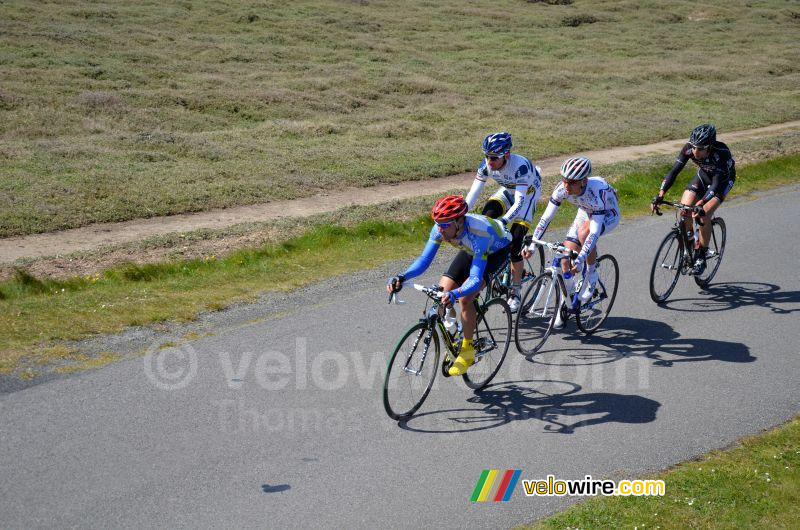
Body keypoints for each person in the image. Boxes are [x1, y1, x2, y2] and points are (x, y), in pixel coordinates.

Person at [387, 195, 512, 376]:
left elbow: (475, 279)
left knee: (466, 298)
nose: (440, 229)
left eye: (445, 225)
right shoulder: (441, 228)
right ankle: (458, 331)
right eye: (438, 223)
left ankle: (467, 350)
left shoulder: (480, 234)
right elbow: (424, 260)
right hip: (470, 249)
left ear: (459, 222)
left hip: (496, 251)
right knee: (441, 292)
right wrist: (401, 277)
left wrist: (456, 294)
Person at [525, 156, 620, 329]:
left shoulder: (596, 192)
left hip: (607, 214)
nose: (566, 186)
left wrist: (582, 258)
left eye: (571, 183)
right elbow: (546, 217)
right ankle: (566, 301)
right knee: (564, 258)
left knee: (584, 234)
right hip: (585, 211)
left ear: (583, 181)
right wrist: (533, 243)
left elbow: (594, 232)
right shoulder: (562, 189)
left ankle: (592, 274)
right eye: (564, 181)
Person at [464, 132, 542, 313]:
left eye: (493, 158)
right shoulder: (486, 165)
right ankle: (488, 271)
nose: (489, 161)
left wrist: (504, 221)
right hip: (507, 191)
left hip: (527, 196)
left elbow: (520, 202)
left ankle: (515, 291)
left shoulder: (520, 167)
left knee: (515, 243)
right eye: (486, 156)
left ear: (506, 155)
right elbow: (473, 194)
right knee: (486, 217)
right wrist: (461, 214)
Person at [651, 124, 735, 275]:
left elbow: (715, 184)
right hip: (703, 176)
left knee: (703, 213)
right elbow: (674, 171)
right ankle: (691, 242)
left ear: (709, 147)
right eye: (694, 147)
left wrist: (702, 202)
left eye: (701, 148)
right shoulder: (689, 148)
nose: (696, 152)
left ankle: (701, 255)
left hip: (722, 181)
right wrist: (660, 194)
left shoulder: (720, 154)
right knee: (684, 211)